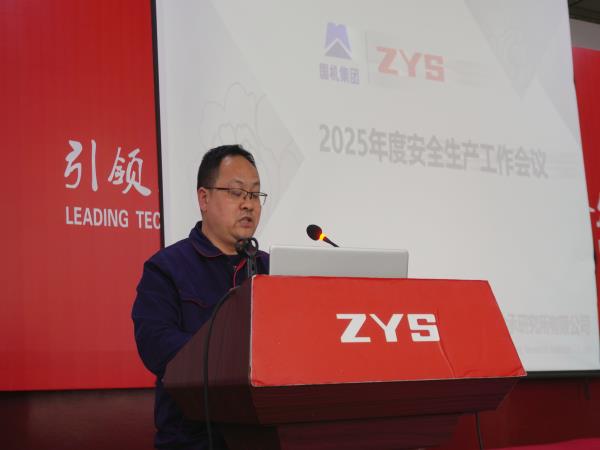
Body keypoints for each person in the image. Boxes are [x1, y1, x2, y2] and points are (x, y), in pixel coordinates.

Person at [132, 145, 269, 449]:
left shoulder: (270, 269)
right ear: (204, 199)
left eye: (254, 194)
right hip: (193, 440)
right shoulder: (166, 268)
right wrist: (232, 356)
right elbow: (155, 345)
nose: (248, 204)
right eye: (237, 192)